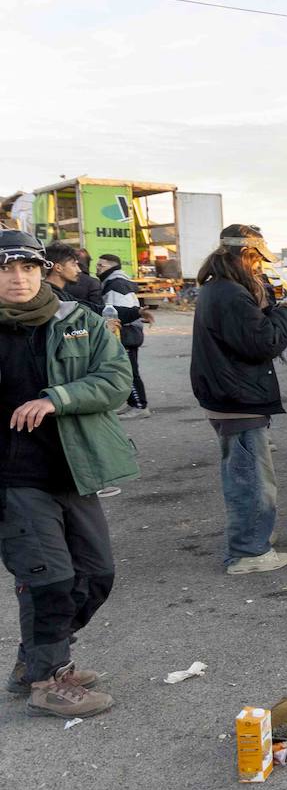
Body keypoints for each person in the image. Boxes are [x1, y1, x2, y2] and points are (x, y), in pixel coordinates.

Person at [0, 230, 137, 718]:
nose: (17, 278)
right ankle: (47, 679)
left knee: (97, 574)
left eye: (27, 268)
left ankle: (36, 659)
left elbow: (117, 380)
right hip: (14, 480)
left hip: (76, 470)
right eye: (6, 269)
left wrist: (56, 398)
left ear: (42, 270)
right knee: (49, 580)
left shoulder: (77, 318)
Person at [190, 225, 287, 575]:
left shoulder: (216, 290)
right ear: (245, 257)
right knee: (251, 479)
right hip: (237, 396)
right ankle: (249, 551)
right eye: (255, 261)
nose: (258, 269)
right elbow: (264, 343)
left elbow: (246, 337)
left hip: (227, 393)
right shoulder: (231, 295)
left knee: (245, 474)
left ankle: (252, 538)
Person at [96, 253, 153, 420]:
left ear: (112, 266)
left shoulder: (116, 284)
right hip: (128, 332)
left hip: (127, 333)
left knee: (129, 371)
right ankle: (133, 403)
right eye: (98, 265)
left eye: (102, 266)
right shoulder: (113, 281)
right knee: (128, 369)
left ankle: (139, 406)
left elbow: (118, 312)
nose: (97, 269)